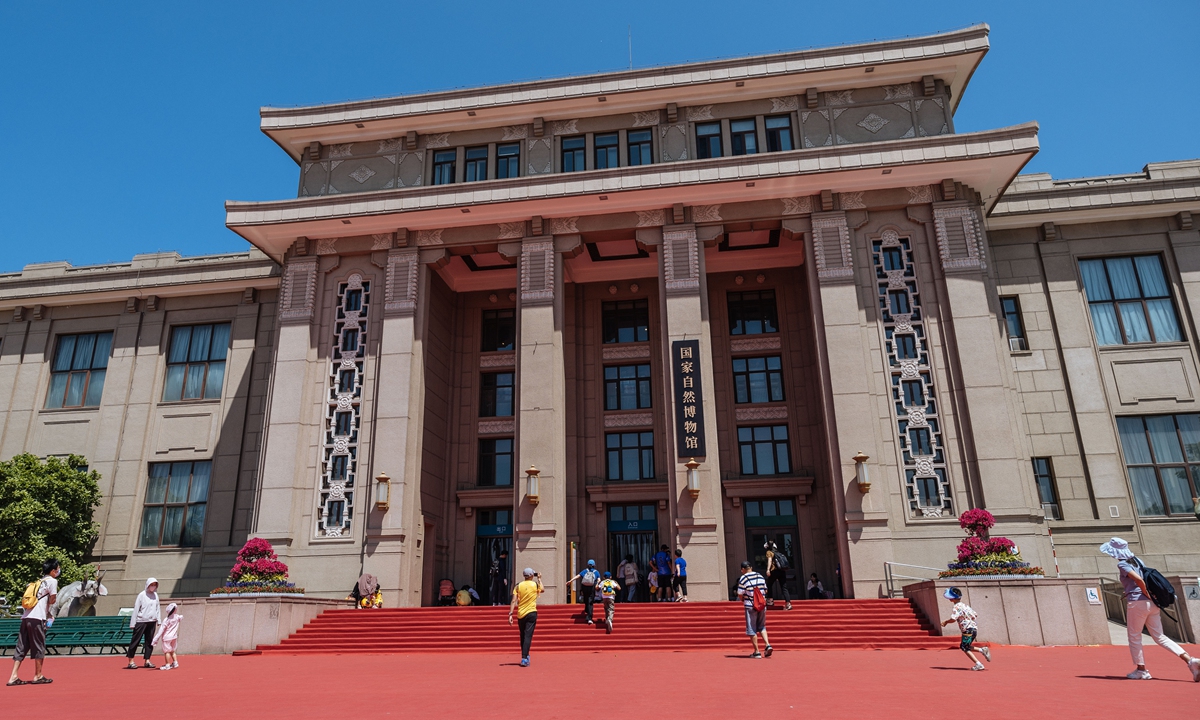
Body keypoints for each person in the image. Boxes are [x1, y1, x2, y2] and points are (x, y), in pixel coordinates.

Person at [1100, 537, 1200, 681]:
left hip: (1138, 603)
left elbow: (1139, 580)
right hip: (1151, 604)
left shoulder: (1123, 564)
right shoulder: (1138, 561)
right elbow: (1141, 579)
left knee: (1134, 636)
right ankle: (1190, 660)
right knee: (1160, 636)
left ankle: (1141, 670)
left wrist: (1143, 592)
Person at [7, 559, 60, 686]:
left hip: (26, 617)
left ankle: (13, 676)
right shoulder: (52, 581)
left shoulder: (38, 581)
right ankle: (38, 675)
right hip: (37, 618)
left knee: (22, 646)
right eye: (57, 568)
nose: (58, 571)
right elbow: (53, 600)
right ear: (53, 571)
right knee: (39, 645)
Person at [939, 587, 992, 671]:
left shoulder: (956, 607)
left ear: (951, 599)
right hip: (973, 628)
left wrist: (946, 622)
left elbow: (953, 618)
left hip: (967, 629)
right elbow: (975, 614)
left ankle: (979, 664)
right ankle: (982, 650)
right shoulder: (964, 605)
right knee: (965, 646)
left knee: (964, 647)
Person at [508, 567, 543, 667]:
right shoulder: (535, 584)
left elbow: (513, 601)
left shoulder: (518, 586)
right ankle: (524, 657)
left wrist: (510, 614)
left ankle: (525, 655)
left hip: (521, 613)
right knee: (528, 635)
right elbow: (543, 589)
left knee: (522, 635)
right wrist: (539, 579)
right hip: (532, 612)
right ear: (532, 575)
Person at [737, 561, 772, 658]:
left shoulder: (743, 578)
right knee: (762, 626)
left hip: (750, 605)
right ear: (751, 567)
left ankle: (756, 651)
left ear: (743, 569)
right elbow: (765, 590)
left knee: (751, 628)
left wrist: (743, 599)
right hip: (762, 605)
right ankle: (767, 644)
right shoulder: (760, 576)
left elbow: (740, 593)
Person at [125, 577, 161, 669]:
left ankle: (147, 660)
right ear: (147, 585)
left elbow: (157, 608)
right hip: (141, 621)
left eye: (154, 585)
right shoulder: (141, 595)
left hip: (152, 621)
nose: (153, 587)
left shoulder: (155, 595)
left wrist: (158, 620)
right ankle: (131, 661)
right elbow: (136, 609)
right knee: (135, 640)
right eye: (151, 585)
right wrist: (133, 623)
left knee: (149, 642)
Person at [566, 559, 601, 624]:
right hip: (591, 587)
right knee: (590, 602)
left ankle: (587, 610)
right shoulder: (596, 572)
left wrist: (570, 581)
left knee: (586, 599)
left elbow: (578, 576)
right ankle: (589, 617)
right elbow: (599, 580)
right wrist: (597, 584)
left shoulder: (585, 571)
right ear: (594, 565)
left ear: (588, 565)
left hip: (584, 587)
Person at [151, 603, 182, 670]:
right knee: (172, 651)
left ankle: (167, 665)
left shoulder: (166, 620)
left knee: (167, 652)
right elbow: (181, 617)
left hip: (167, 637)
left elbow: (161, 631)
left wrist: (155, 639)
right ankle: (175, 662)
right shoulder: (177, 617)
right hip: (174, 637)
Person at [764, 542, 791, 610]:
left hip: (774, 571)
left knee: (769, 585)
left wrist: (768, 570)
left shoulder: (769, 552)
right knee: (784, 587)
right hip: (782, 571)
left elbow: (770, 560)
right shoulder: (778, 552)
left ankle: (770, 601)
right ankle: (788, 604)